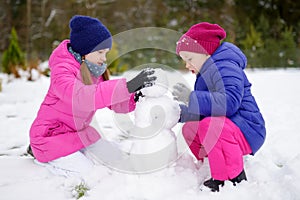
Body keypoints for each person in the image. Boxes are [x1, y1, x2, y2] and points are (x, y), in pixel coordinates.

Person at [27, 15, 156, 176]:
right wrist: (127, 86)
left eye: (106, 53)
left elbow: (110, 101)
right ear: (84, 51)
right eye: (100, 52)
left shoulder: (93, 70)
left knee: (115, 159)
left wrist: (134, 98)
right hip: (50, 137)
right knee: (88, 172)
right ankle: (40, 156)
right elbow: (82, 98)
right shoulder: (62, 70)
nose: (104, 58)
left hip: (77, 134)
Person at [173, 22, 266, 192]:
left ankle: (231, 176)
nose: (187, 65)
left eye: (190, 59)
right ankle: (213, 163)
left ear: (205, 52)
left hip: (247, 128)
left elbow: (229, 103)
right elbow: (207, 110)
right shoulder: (205, 73)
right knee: (190, 129)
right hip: (227, 127)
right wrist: (180, 113)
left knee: (210, 126)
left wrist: (191, 97)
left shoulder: (226, 66)